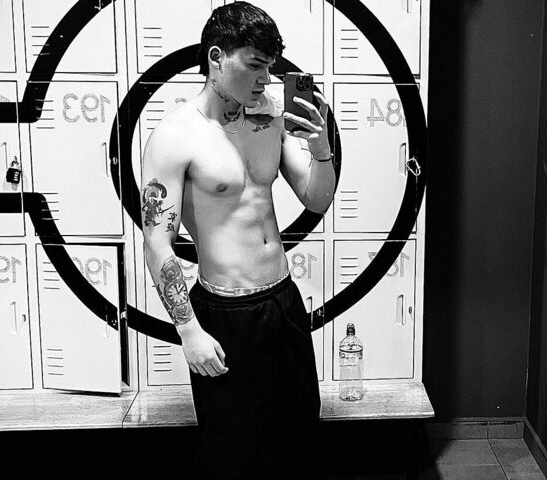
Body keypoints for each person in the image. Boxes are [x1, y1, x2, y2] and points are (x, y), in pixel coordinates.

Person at [141, 3, 335, 479]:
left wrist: (321, 150)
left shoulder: (268, 120)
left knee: (298, 435)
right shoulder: (175, 136)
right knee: (232, 450)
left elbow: (316, 199)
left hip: (282, 301)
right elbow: (157, 243)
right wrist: (188, 331)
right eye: (254, 66)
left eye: (270, 68)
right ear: (216, 58)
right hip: (225, 313)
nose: (265, 80)